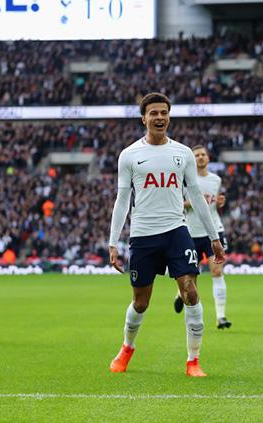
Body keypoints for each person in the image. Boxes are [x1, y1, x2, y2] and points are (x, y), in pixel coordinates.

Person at [108, 92, 225, 377]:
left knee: (191, 291)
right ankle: (126, 348)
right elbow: (123, 200)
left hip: (176, 231)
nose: (159, 117)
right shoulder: (130, 155)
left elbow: (196, 197)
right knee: (141, 302)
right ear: (143, 118)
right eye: (154, 113)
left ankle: (193, 361)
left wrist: (214, 237)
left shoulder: (182, 153)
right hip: (143, 235)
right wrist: (113, 242)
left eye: (164, 112)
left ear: (169, 116)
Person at [173, 145, 232, 330]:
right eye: (196, 155)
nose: (200, 158)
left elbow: (214, 205)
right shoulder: (185, 179)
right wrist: (191, 203)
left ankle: (221, 317)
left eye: (203, 155)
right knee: (191, 278)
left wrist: (220, 203)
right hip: (191, 233)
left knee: (217, 271)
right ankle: (181, 294)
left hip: (213, 231)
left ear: (208, 158)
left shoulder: (216, 180)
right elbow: (177, 204)